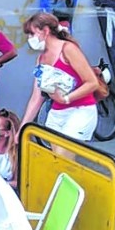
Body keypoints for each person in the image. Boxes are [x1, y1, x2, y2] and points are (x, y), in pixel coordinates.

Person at [19, 12, 100, 142]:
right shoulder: (41, 59)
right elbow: (36, 97)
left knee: (65, 150)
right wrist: (22, 130)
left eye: (32, 34)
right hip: (57, 113)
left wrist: (66, 99)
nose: (30, 39)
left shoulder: (68, 49)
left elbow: (92, 82)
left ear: (45, 31)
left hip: (80, 110)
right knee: (55, 153)